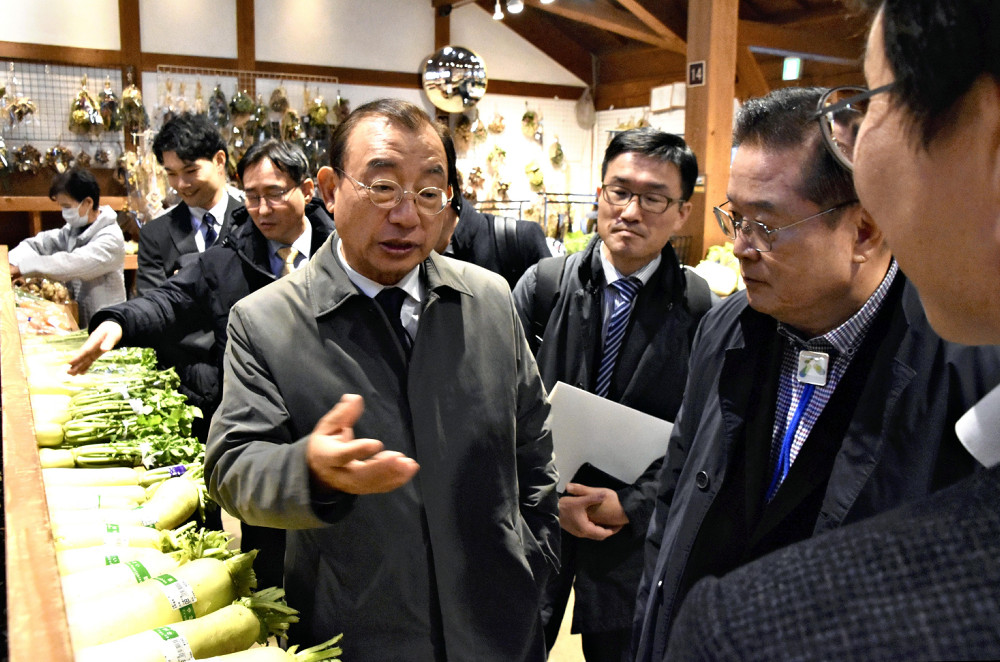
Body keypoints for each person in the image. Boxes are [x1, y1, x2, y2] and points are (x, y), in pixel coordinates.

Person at [661, 2, 1000, 659]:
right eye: (734, 217)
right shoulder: (727, 328)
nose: (740, 246)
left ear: (865, 230)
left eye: (870, 105)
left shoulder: (964, 362)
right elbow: (679, 499)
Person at [204, 99, 559, 662]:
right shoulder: (266, 321)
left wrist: (537, 552)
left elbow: (533, 441)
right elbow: (232, 467)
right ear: (328, 188)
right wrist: (310, 470)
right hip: (357, 630)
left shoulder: (488, 298)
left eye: (428, 193)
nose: (407, 215)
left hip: (499, 625)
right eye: (383, 187)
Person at [67, 140, 334, 589]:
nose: (262, 209)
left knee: (334, 545)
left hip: (328, 416)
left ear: (306, 189)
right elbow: (172, 298)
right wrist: (117, 322)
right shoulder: (227, 259)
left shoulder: (342, 250)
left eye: (274, 193)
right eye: (251, 196)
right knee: (267, 548)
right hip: (262, 430)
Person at [511, 127, 713, 662]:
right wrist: (549, 498)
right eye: (619, 191)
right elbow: (499, 405)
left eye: (653, 198)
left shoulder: (698, 307)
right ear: (599, 195)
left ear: (682, 212)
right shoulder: (543, 286)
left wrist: (632, 504)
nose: (630, 210)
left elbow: (701, 430)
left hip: (629, 533)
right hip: (537, 515)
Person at [136, 112, 243, 417]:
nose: (180, 184)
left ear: (219, 160)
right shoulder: (156, 234)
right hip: (186, 385)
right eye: (170, 173)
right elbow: (154, 311)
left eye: (190, 170)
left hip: (250, 377)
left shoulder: (251, 222)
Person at [435, 125, 551, 289]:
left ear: (448, 191)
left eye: (425, 191)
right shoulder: (409, 258)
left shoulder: (522, 240)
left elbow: (553, 310)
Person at [8, 168, 125, 326]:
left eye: (67, 206)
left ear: (88, 203)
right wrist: (10, 263)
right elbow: (39, 244)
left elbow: (72, 263)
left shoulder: (110, 238)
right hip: (78, 320)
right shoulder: (72, 230)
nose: (64, 212)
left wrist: (23, 268)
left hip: (104, 323)